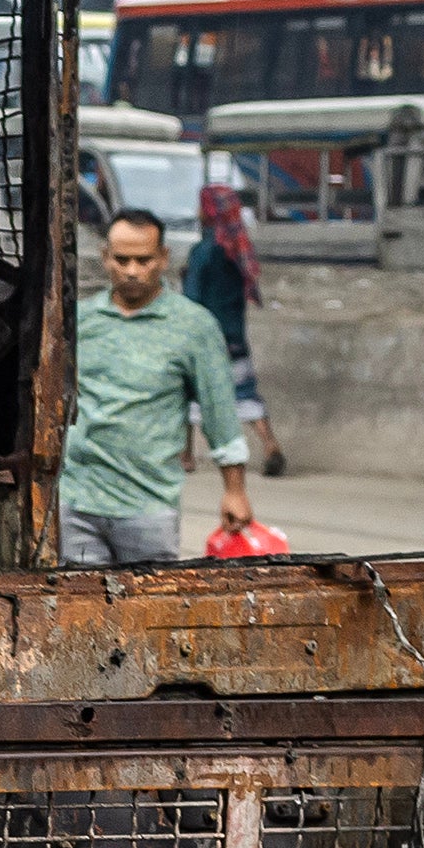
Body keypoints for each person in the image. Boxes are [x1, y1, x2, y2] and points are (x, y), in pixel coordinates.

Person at [64, 206, 253, 566]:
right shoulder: (80, 321)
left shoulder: (193, 326)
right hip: (77, 504)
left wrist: (235, 490)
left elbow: (219, 410)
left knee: (146, 613)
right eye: (122, 260)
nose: (132, 271)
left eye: (144, 260)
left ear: (163, 258)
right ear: (105, 258)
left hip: (148, 507)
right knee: (78, 613)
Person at [177, 179, 286, 476]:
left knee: (188, 391)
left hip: (205, 334)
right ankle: (270, 445)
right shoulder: (238, 250)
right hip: (234, 333)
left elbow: (193, 297)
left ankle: (185, 455)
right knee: (246, 391)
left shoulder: (203, 251)